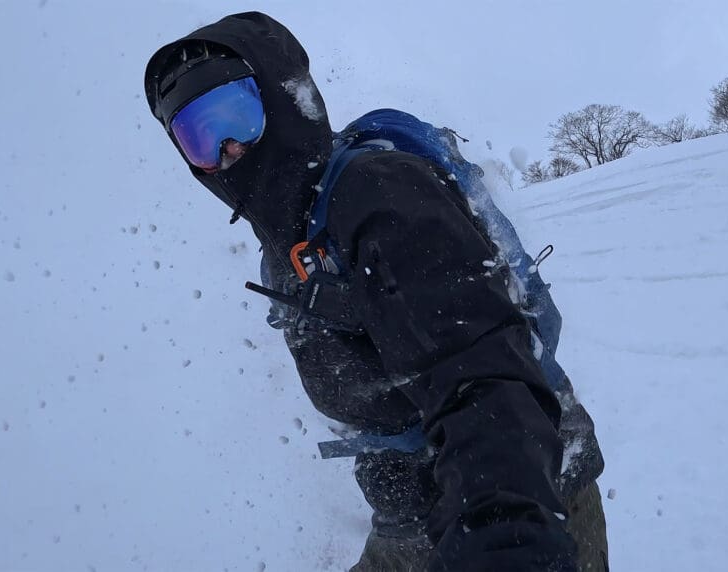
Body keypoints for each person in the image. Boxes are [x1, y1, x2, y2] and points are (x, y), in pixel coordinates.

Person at [144, 12, 608, 571]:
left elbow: (482, 371)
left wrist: (502, 536)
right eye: (198, 138)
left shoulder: (379, 193)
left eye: (235, 117)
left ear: (285, 99)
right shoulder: (288, 248)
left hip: (513, 498)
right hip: (407, 521)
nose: (227, 153)